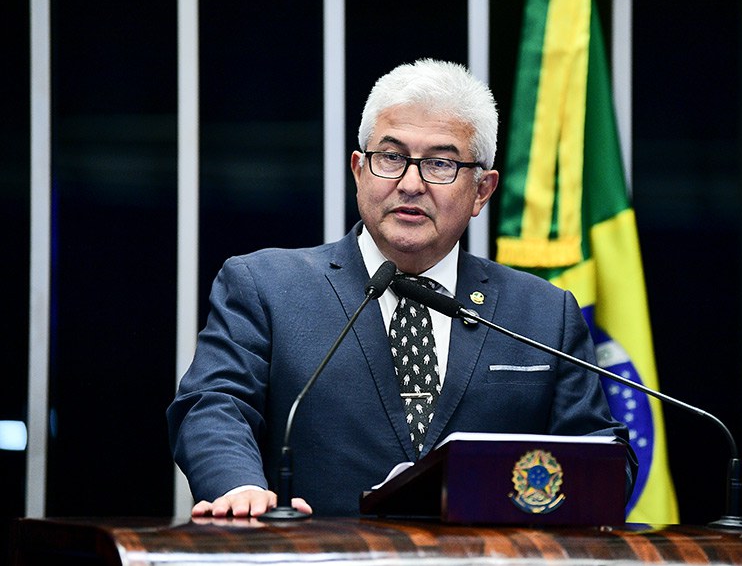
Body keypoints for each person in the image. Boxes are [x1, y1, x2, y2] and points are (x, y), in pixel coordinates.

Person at [167, 58, 636, 518]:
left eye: (440, 164)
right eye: (391, 157)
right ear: (358, 169)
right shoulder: (266, 286)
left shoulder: (542, 313)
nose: (410, 184)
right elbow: (214, 404)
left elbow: (600, 455)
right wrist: (239, 486)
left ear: (482, 190)